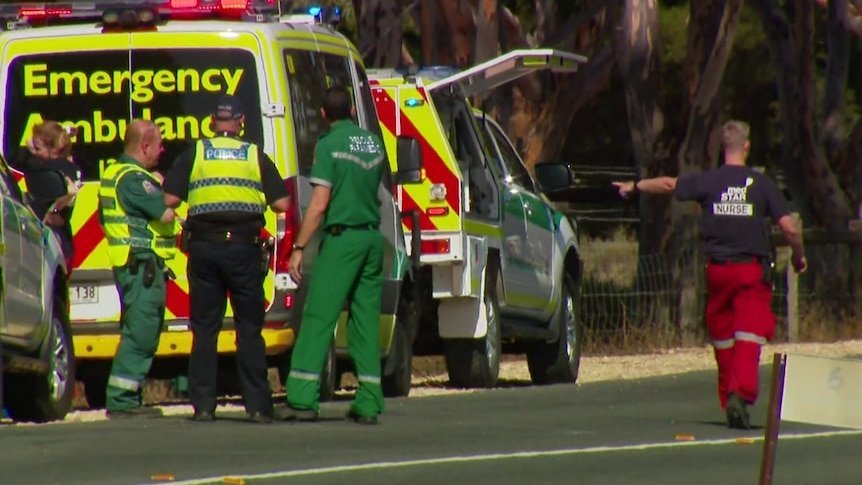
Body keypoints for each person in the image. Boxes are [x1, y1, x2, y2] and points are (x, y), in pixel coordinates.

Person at [613, 120, 807, 430]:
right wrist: (799, 255)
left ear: (722, 148)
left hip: (717, 271)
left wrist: (634, 186)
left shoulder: (709, 181)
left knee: (723, 335)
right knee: (749, 333)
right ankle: (739, 394)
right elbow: (789, 227)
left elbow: (668, 185)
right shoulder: (762, 185)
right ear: (746, 146)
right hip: (750, 271)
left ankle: (728, 393)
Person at [163, 95, 290, 424]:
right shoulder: (254, 155)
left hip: (204, 249)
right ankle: (258, 406)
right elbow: (283, 205)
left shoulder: (196, 153)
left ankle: (204, 406)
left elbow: (171, 198)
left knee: (205, 329)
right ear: (241, 122)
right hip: (244, 251)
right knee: (249, 328)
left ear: (211, 123)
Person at [284, 85, 386, 425]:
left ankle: (301, 397)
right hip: (373, 239)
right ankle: (369, 401)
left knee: (318, 317)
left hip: (343, 241)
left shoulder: (328, 146)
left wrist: (299, 247)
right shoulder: (373, 142)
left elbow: (320, 203)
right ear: (353, 112)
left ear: (325, 114)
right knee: (365, 321)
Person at [100, 120, 178, 419]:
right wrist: (161, 186)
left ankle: (126, 397)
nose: (163, 149)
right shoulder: (135, 179)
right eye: (159, 144)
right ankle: (122, 400)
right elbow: (166, 212)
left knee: (140, 329)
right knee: (142, 332)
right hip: (141, 266)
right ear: (144, 145)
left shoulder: (115, 174)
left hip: (135, 265)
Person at [16, 121, 82, 268]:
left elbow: (18, 159)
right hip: (63, 241)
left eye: (38, 148)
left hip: (50, 242)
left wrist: (29, 149)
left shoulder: (48, 169)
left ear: (52, 148)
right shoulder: (70, 167)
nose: (35, 151)